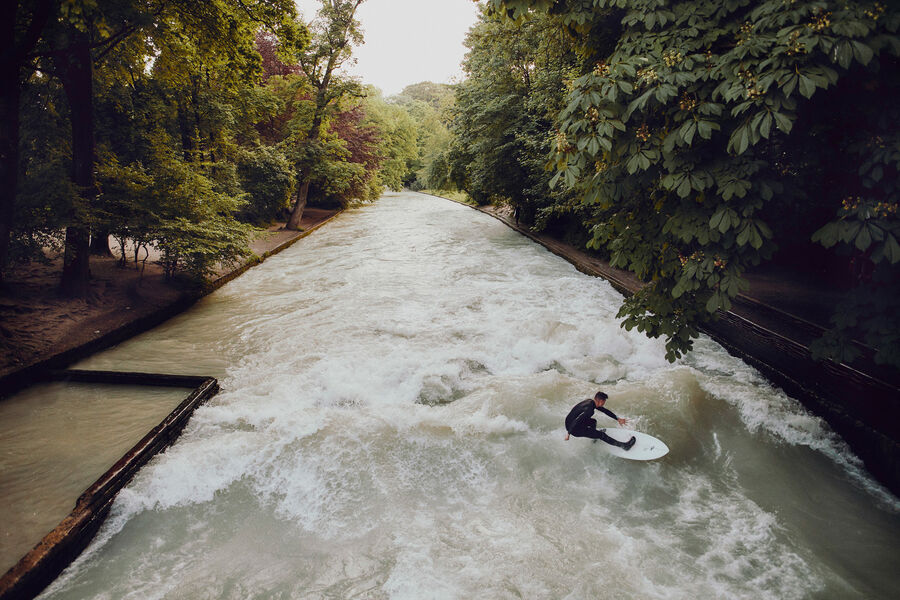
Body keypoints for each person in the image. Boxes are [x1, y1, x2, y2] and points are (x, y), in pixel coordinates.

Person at [564, 391, 636, 450]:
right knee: (602, 435)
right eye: (604, 402)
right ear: (601, 401)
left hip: (568, 422)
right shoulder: (589, 410)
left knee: (593, 422)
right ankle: (624, 446)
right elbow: (577, 420)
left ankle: (594, 435)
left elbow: (605, 411)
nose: (604, 403)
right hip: (574, 429)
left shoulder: (591, 402)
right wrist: (569, 433)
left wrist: (618, 419)